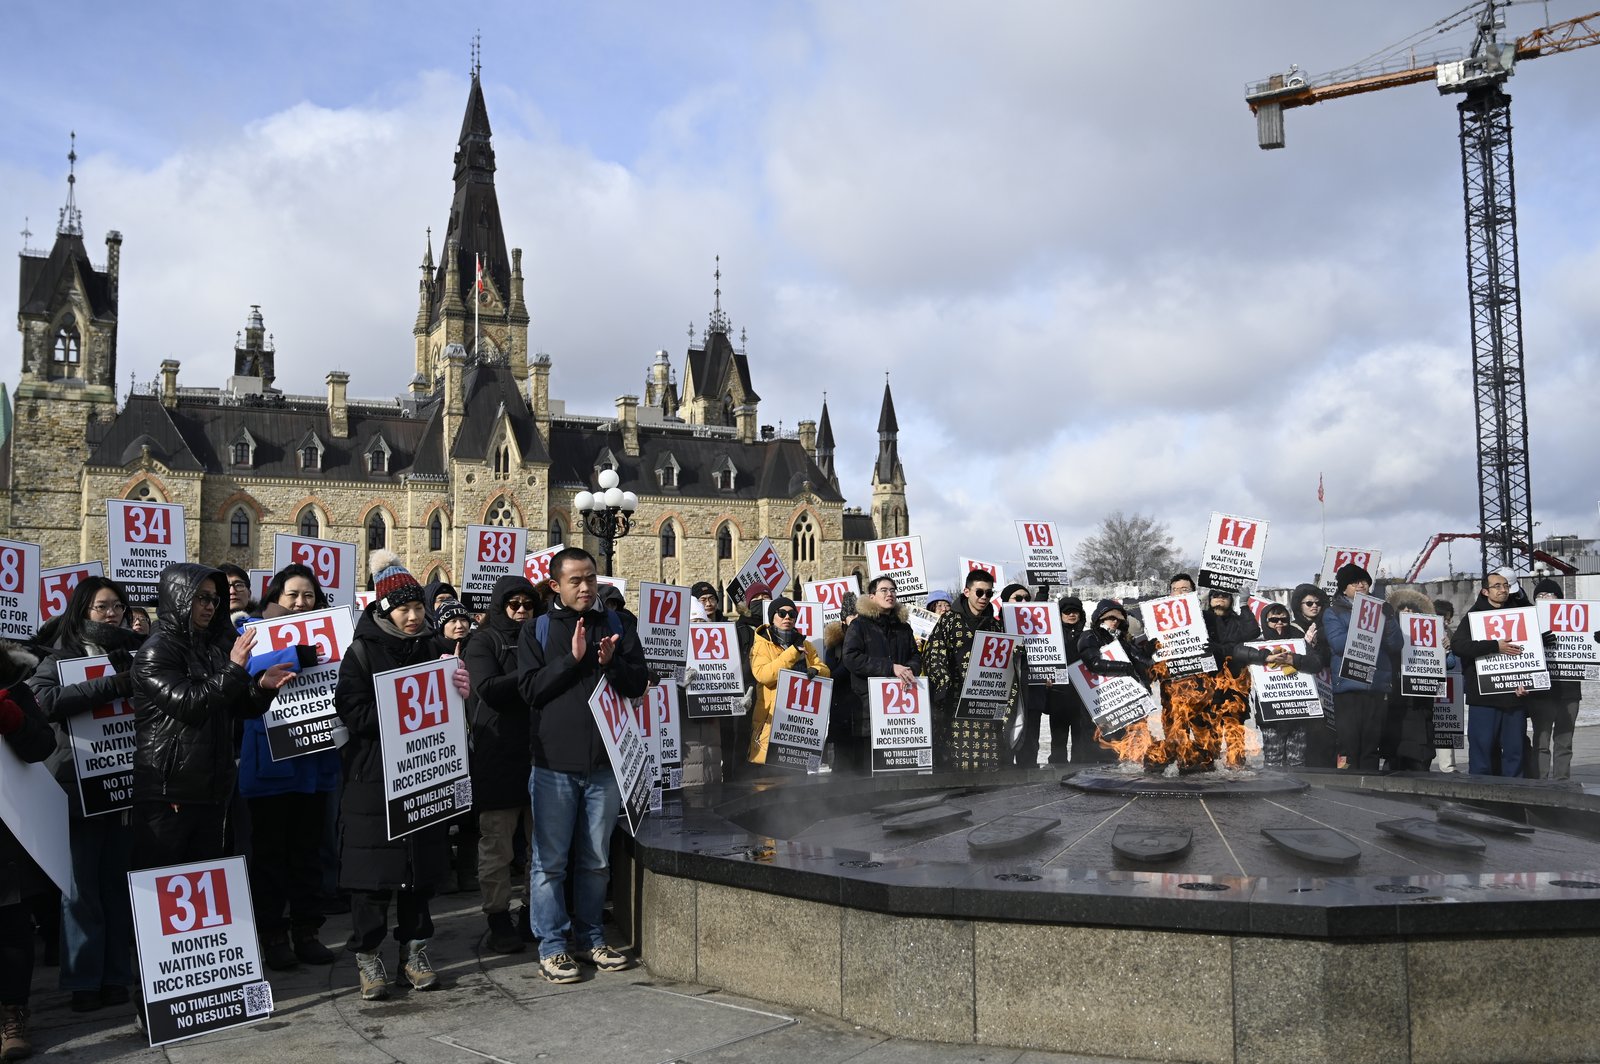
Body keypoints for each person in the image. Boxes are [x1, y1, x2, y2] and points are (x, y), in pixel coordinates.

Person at [335, 551, 470, 1001]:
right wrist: (400, 711)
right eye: (404, 609)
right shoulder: (361, 651)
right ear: (384, 609)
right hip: (373, 776)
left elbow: (449, 707)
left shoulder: (435, 648)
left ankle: (414, 952)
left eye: (418, 608)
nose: (414, 617)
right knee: (373, 875)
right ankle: (368, 957)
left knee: (420, 870)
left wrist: (460, 690)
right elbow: (351, 711)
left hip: (425, 772)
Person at [516, 547, 648, 984]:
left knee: (595, 860)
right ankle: (552, 946)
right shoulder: (536, 629)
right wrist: (571, 660)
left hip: (604, 765)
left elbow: (638, 684)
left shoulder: (616, 623)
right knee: (550, 862)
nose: (586, 586)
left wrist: (611, 664)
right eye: (575, 580)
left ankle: (592, 937)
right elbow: (531, 691)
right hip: (553, 765)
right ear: (555, 585)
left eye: (590, 577)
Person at [27, 577, 144, 1012]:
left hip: (124, 788)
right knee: (80, 890)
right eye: (101, 607)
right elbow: (41, 701)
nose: (111, 614)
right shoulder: (58, 657)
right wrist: (112, 686)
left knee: (116, 885)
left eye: (117, 606)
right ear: (81, 612)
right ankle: (83, 979)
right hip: (75, 787)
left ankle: (116, 976)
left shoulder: (136, 654)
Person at [129, 564, 295, 867]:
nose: (210, 606)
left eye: (214, 600)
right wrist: (234, 668)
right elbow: (189, 705)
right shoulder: (156, 651)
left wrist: (261, 686)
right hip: (170, 791)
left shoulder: (212, 647)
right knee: (165, 886)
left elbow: (237, 706)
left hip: (211, 788)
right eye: (201, 598)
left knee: (204, 880)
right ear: (180, 598)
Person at [237, 564, 341, 972]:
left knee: (308, 854)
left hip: (315, 764)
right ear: (275, 597)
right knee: (270, 858)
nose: (301, 602)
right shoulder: (249, 629)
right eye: (293, 595)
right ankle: (273, 935)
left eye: (309, 596)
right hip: (270, 766)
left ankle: (307, 930)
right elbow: (243, 670)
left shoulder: (331, 633)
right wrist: (296, 655)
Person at [463, 574, 540, 953]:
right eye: (514, 605)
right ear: (500, 606)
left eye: (528, 604)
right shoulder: (484, 640)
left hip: (539, 753)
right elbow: (488, 688)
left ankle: (531, 912)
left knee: (541, 845)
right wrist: (533, 676)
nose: (522, 611)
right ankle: (497, 916)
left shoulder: (542, 637)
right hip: (498, 757)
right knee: (498, 847)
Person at [0, 659, 50, 1062]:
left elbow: (42, 745)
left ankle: (12, 1014)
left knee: (11, 923)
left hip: (5, 830)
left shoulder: (11, 683)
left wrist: (13, 720)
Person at [922, 570, 1014, 771]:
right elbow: (934, 652)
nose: (984, 598)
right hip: (955, 698)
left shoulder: (995, 626)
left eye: (989, 593)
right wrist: (943, 683)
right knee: (956, 755)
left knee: (985, 754)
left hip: (985, 699)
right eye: (979, 592)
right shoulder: (948, 621)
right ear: (966, 591)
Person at [1449, 569, 1535, 777]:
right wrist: (1494, 646)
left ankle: (1515, 798)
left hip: (1514, 696)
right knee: (1482, 753)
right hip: (1484, 698)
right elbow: (1459, 646)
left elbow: (1530, 653)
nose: (1503, 590)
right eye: (1497, 586)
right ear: (1485, 591)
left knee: (1515, 753)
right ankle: (1480, 798)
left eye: (1506, 586)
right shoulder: (1474, 616)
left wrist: (1529, 684)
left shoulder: (1520, 613)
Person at [1323, 563, 1402, 771]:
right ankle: (1348, 792)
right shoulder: (1333, 612)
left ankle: (1370, 791)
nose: (1360, 585)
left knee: (1371, 746)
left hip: (1375, 685)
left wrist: (1389, 619)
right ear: (1343, 588)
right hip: (1348, 686)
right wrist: (1364, 622)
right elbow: (1338, 644)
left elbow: (1396, 644)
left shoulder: (1382, 611)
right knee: (1349, 744)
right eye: (1354, 582)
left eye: (1364, 581)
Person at [749, 596, 831, 765]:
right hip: (771, 722)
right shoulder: (761, 644)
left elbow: (825, 671)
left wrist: (816, 671)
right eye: (782, 613)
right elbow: (764, 675)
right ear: (772, 617)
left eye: (792, 614)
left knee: (798, 785)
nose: (787, 617)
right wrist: (793, 652)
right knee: (768, 783)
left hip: (799, 724)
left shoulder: (806, 645)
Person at [1250, 602, 1319, 769]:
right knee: (1273, 761)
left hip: (1298, 712)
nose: (1279, 623)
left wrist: (1296, 656)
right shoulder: (1257, 643)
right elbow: (1238, 652)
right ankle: (1273, 792)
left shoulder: (1299, 641)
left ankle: (1299, 794)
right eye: (1273, 619)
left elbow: (1316, 664)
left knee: (1297, 762)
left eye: (1283, 619)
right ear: (1265, 622)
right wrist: (1266, 657)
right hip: (1271, 714)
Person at [1381, 589, 1440, 772]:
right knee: (1395, 754)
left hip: (1421, 703)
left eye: (1411, 608)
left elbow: (1448, 666)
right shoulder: (1387, 633)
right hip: (1396, 701)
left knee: (1419, 756)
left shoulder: (1433, 634)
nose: (1407, 611)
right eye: (1403, 608)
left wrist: (1445, 648)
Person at [1527, 577, 1579, 780]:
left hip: (1570, 691)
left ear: (1560, 598)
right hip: (1542, 691)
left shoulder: (1578, 623)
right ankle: (1540, 782)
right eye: (1540, 596)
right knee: (1541, 741)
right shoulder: (1530, 620)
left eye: (1550, 594)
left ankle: (1562, 782)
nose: (1545, 598)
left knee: (1564, 741)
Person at [1046, 596, 1102, 764]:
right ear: (1059, 614)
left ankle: (1079, 773)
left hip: (1082, 696)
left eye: (1075, 611)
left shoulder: (1089, 636)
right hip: (1058, 694)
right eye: (1067, 611)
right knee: (1058, 740)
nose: (1071, 614)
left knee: (1081, 740)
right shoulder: (1050, 635)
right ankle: (1055, 773)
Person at [1290, 583, 1335, 767]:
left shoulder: (1327, 627)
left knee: (1328, 736)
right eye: (1308, 603)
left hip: (1327, 690)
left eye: (1317, 603)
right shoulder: (1292, 628)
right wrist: (1306, 645)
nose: (1314, 606)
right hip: (1303, 690)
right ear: (1299, 606)